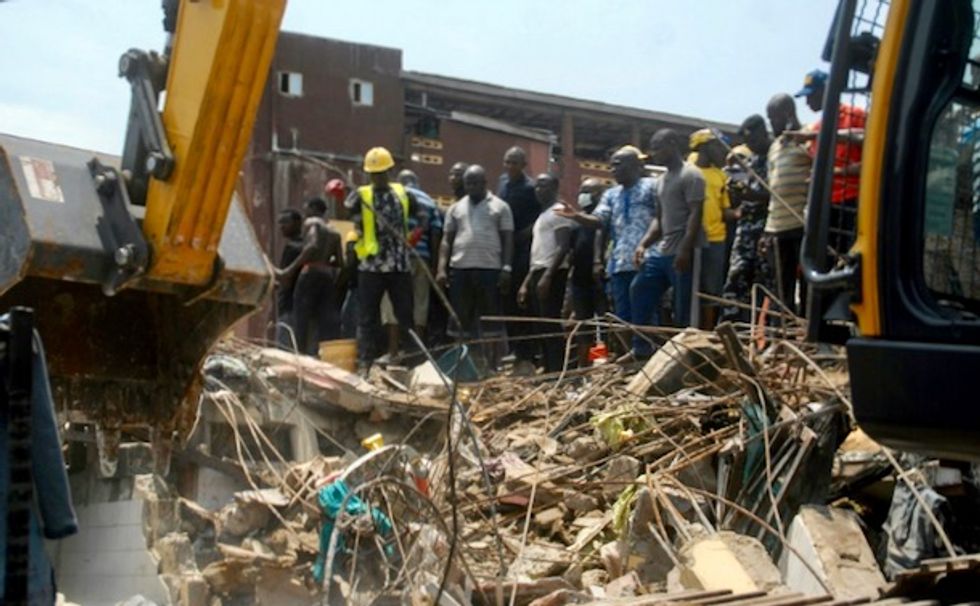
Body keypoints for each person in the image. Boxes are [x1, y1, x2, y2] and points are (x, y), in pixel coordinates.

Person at [558, 145, 659, 357]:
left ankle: (649, 355)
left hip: (647, 260)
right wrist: (577, 216)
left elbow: (662, 216)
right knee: (622, 316)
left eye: (618, 165)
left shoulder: (652, 187)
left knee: (646, 311)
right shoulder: (611, 195)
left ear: (634, 165)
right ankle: (632, 357)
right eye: (612, 166)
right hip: (620, 263)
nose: (613, 170)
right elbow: (598, 220)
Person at [345, 146, 428, 371]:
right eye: (373, 174)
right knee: (367, 318)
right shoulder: (361, 195)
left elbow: (422, 215)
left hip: (399, 265)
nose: (377, 178)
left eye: (381, 173)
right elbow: (348, 215)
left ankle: (414, 362)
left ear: (389, 172)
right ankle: (365, 363)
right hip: (371, 266)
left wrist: (416, 233)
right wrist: (341, 198)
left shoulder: (403, 193)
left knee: (405, 317)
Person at [437, 165, 514, 366]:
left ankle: (491, 365)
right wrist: (441, 269)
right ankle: (461, 364)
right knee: (460, 318)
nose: (471, 187)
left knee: (491, 319)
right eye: (468, 183)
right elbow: (446, 241)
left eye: (475, 183)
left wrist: (506, 268)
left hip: (490, 269)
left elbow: (508, 239)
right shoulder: (455, 208)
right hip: (460, 269)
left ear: (484, 183)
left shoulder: (500, 207)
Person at [634, 129, 706, 333]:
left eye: (658, 148)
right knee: (640, 289)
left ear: (673, 144)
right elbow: (659, 219)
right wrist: (643, 244)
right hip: (664, 251)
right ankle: (642, 344)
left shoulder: (691, 174)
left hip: (686, 251)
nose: (654, 153)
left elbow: (696, 213)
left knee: (684, 307)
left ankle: (686, 344)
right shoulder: (661, 180)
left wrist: (685, 249)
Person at [795, 68, 866, 255]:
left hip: (852, 201)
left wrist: (837, 172)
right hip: (824, 204)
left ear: (827, 91)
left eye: (812, 95)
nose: (808, 102)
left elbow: (871, 163)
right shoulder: (816, 128)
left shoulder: (856, 116)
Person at [374, 169, 442, 357]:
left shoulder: (393, 196)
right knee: (420, 303)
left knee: (392, 303)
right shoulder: (429, 201)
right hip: (421, 257)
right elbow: (435, 233)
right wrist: (434, 265)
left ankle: (393, 352)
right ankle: (416, 354)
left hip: (396, 257)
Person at [518, 174, 576, 373]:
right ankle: (548, 367)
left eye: (544, 186)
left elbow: (563, 246)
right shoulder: (543, 215)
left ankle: (557, 370)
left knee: (550, 323)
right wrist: (526, 283)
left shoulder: (559, 211)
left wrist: (548, 276)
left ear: (555, 187)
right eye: (537, 186)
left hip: (552, 272)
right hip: (538, 272)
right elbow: (538, 254)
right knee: (540, 324)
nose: (539, 190)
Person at [761, 93, 812, 315]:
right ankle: (784, 328)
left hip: (801, 223)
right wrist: (766, 230)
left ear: (789, 114)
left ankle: (806, 327)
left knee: (807, 283)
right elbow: (773, 190)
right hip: (777, 227)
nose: (771, 124)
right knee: (782, 286)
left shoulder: (808, 137)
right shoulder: (774, 147)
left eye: (774, 118)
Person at [721, 115, 772, 322]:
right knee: (736, 280)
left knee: (765, 286)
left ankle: (764, 333)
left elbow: (778, 194)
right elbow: (739, 196)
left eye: (753, 140)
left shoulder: (775, 157)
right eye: (747, 142)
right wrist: (736, 189)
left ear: (763, 132)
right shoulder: (751, 162)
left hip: (767, 230)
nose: (750, 145)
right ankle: (731, 328)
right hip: (745, 232)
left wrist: (755, 196)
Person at [276, 198, 343, 356]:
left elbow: (312, 246)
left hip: (310, 273)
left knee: (301, 319)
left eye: (307, 208)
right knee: (322, 319)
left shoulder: (312, 223)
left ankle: (300, 355)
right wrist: (324, 262)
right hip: (326, 276)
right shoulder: (334, 232)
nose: (305, 213)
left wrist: (290, 269)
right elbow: (340, 262)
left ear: (313, 209)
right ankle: (322, 355)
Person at [497, 146, 540, 371]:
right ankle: (513, 348)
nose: (510, 166)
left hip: (524, 250)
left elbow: (541, 216)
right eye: (507, 162)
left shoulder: (531, 188)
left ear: (524, 165)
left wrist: (524, 233)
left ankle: (526, 352)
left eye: (514, 163)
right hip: (505, 250)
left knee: (523, 302)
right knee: (506, 303)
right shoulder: (502, 184)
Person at [690, 129, 736, 328]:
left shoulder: (720, 176)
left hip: (715, 240)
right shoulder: (688, 171)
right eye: (718, 146)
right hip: (690, 240)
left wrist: (741, 211)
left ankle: (707, 332)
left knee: (712, 289)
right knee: (690, 288)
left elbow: (725, 210)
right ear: (705, 147)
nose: (723, 152)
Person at [567, 178, 606, 366]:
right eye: (582, 191)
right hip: (579, 281)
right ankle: (584, 368)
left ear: (599, 194)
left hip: (600, 280)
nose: (582, 195)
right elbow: (570, 250)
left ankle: (601, 364)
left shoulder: (604, 219)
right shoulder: (576, 221)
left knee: (604, 326)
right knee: (584, 327)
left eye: (587, 191)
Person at [275, 208, 304, 348]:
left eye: (285, 222)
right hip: (301, 304)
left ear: (298, 223)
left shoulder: (292, 247)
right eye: (280, 222)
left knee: (285, 345)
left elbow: (285, 278)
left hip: (289, 304)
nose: (282, 226)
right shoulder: (306, 245)